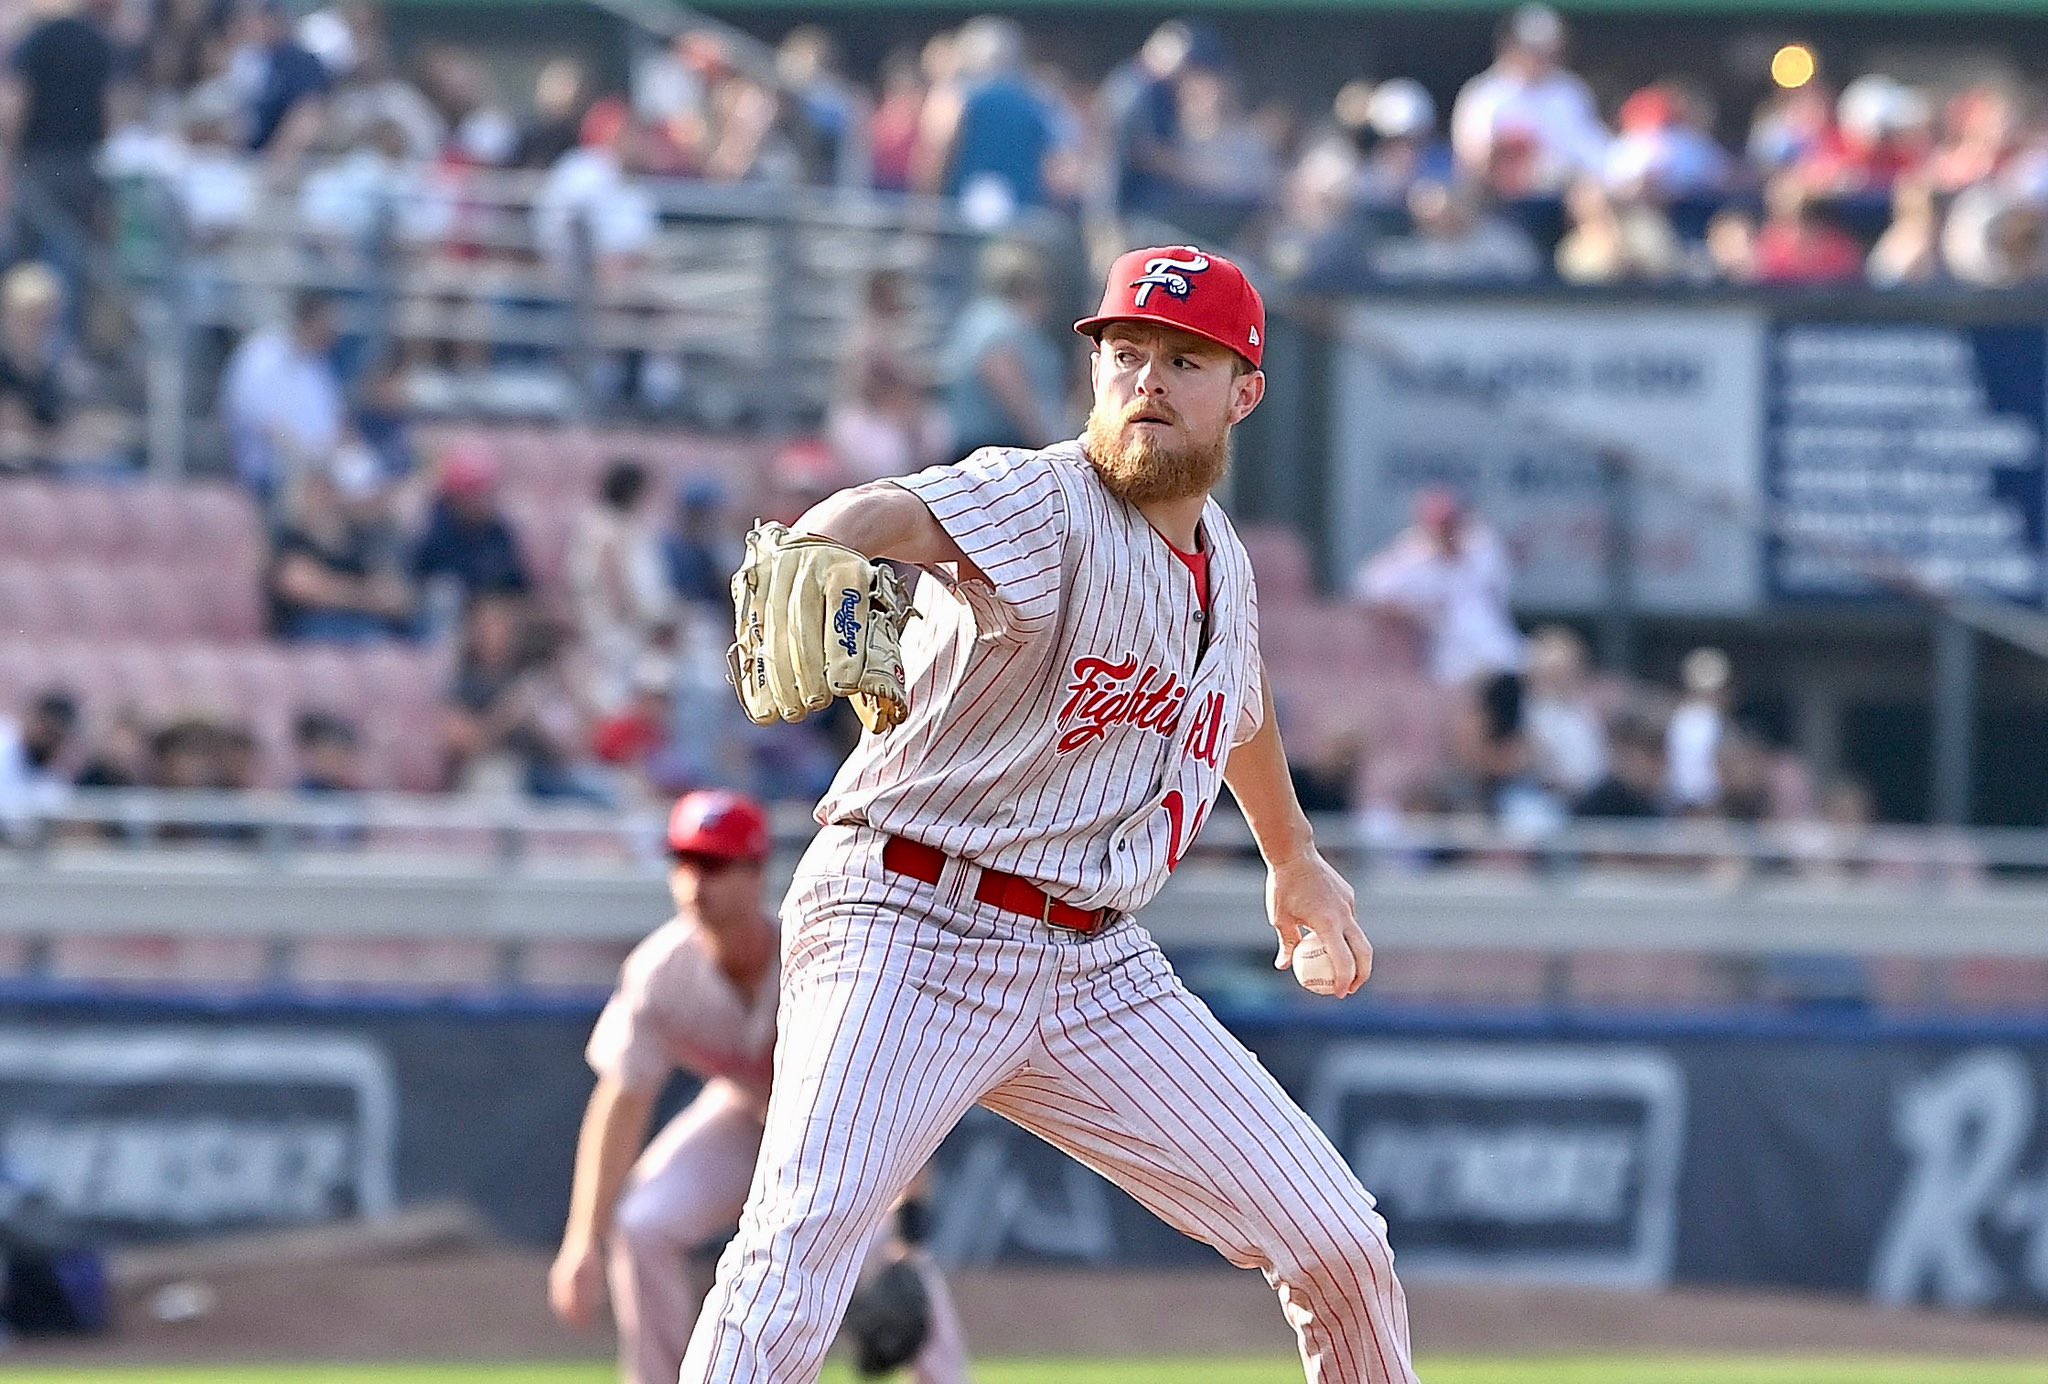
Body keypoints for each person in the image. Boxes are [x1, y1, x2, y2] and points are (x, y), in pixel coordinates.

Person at [685, 246, 1414, 1382]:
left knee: (1337, 1243)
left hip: (1090, 964)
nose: (1147, 380)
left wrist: (1294, 855)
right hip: (908, 918)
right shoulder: (1045, 498)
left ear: (1244, 392)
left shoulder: (1221, 555)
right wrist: (831, 536)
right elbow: (889, 509)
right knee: (796, 1255)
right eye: (1124, 353)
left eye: (1184, 359)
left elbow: (1241, 688)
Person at [549, 792, 970, 1384]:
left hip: (836, 1127)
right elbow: (622, 1100)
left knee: (893, 1263)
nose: (697, 881)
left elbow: (898, 1076)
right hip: (742, 1115)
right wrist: (582, 1240)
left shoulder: (818, 951)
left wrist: (909, 1219)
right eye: (686, 862)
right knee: (644, 1225)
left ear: (756, 873)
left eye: (717, 865)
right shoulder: (660, 972)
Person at [1352, 488, 1524, 690]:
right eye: (1441, 526)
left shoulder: (1483, 544)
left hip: (1499, 644)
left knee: (1551, 661)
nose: (1447, 532)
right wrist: (1406, 612)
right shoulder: (1412, 557)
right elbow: (1365, 587)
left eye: (1451, 524)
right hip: (1452, 656)